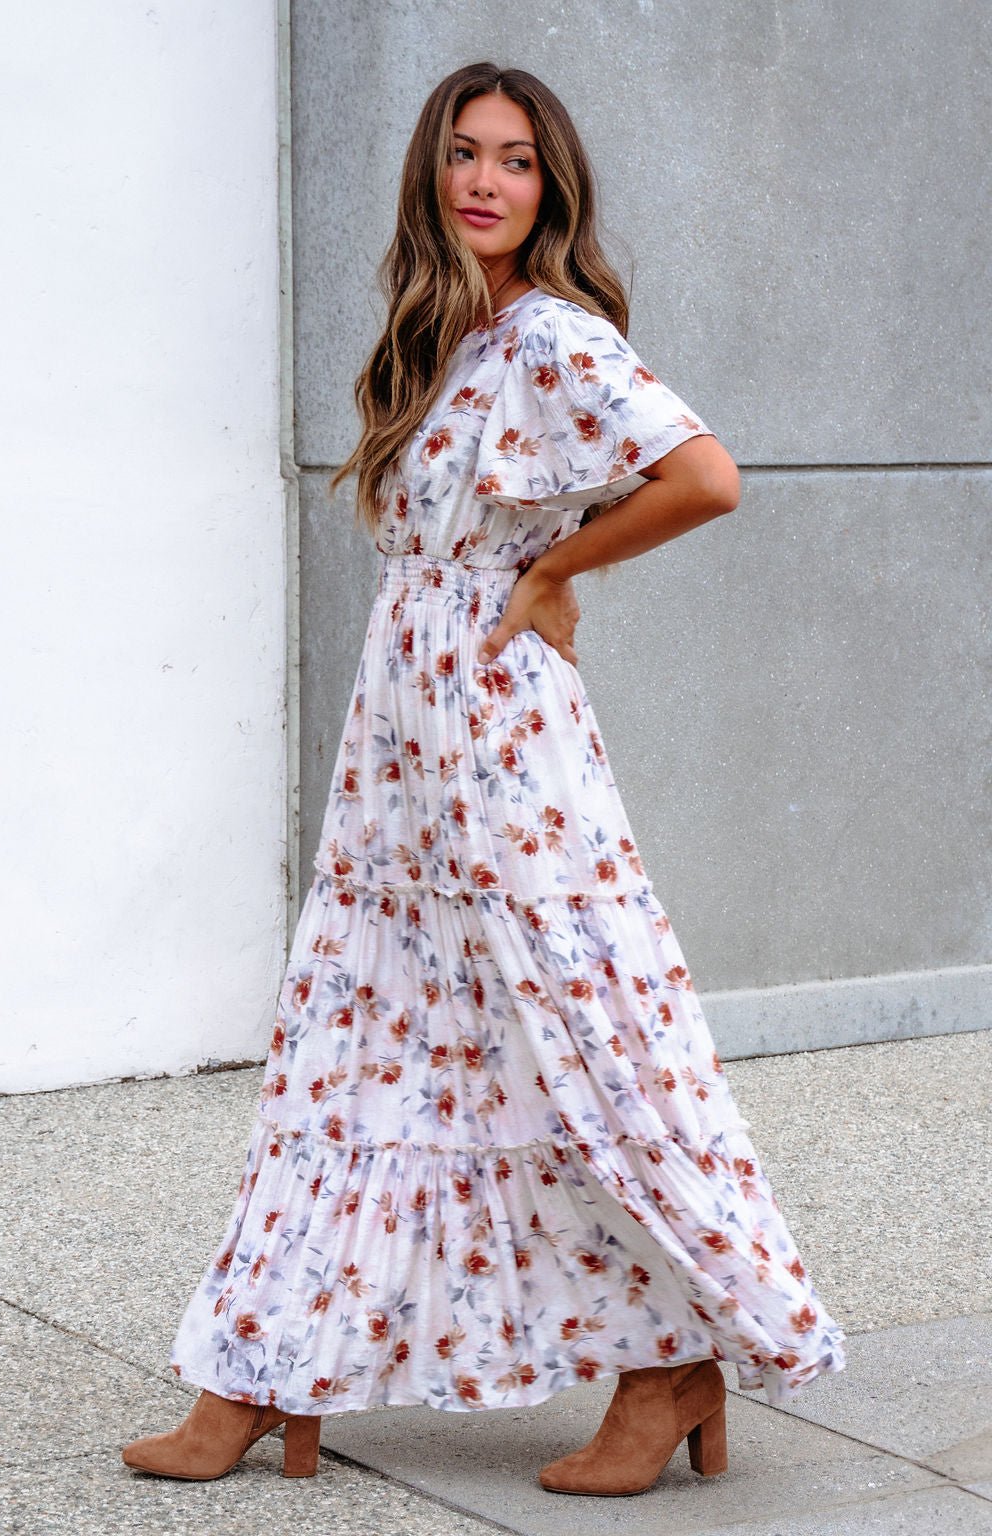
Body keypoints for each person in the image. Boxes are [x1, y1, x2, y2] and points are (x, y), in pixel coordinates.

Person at [122, 60, 845, 1496]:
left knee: (568, 1037)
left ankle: (673, 1363)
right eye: (463, 153)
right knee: (356, 1045)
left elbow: (705, 478)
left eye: (516, 161)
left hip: (498, 738)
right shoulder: (449, 340)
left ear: (550, 188)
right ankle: (261, 1368)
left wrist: (556, 571)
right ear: (429, 174)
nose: (486, 181)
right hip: (405, 738)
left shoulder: (556, 341)